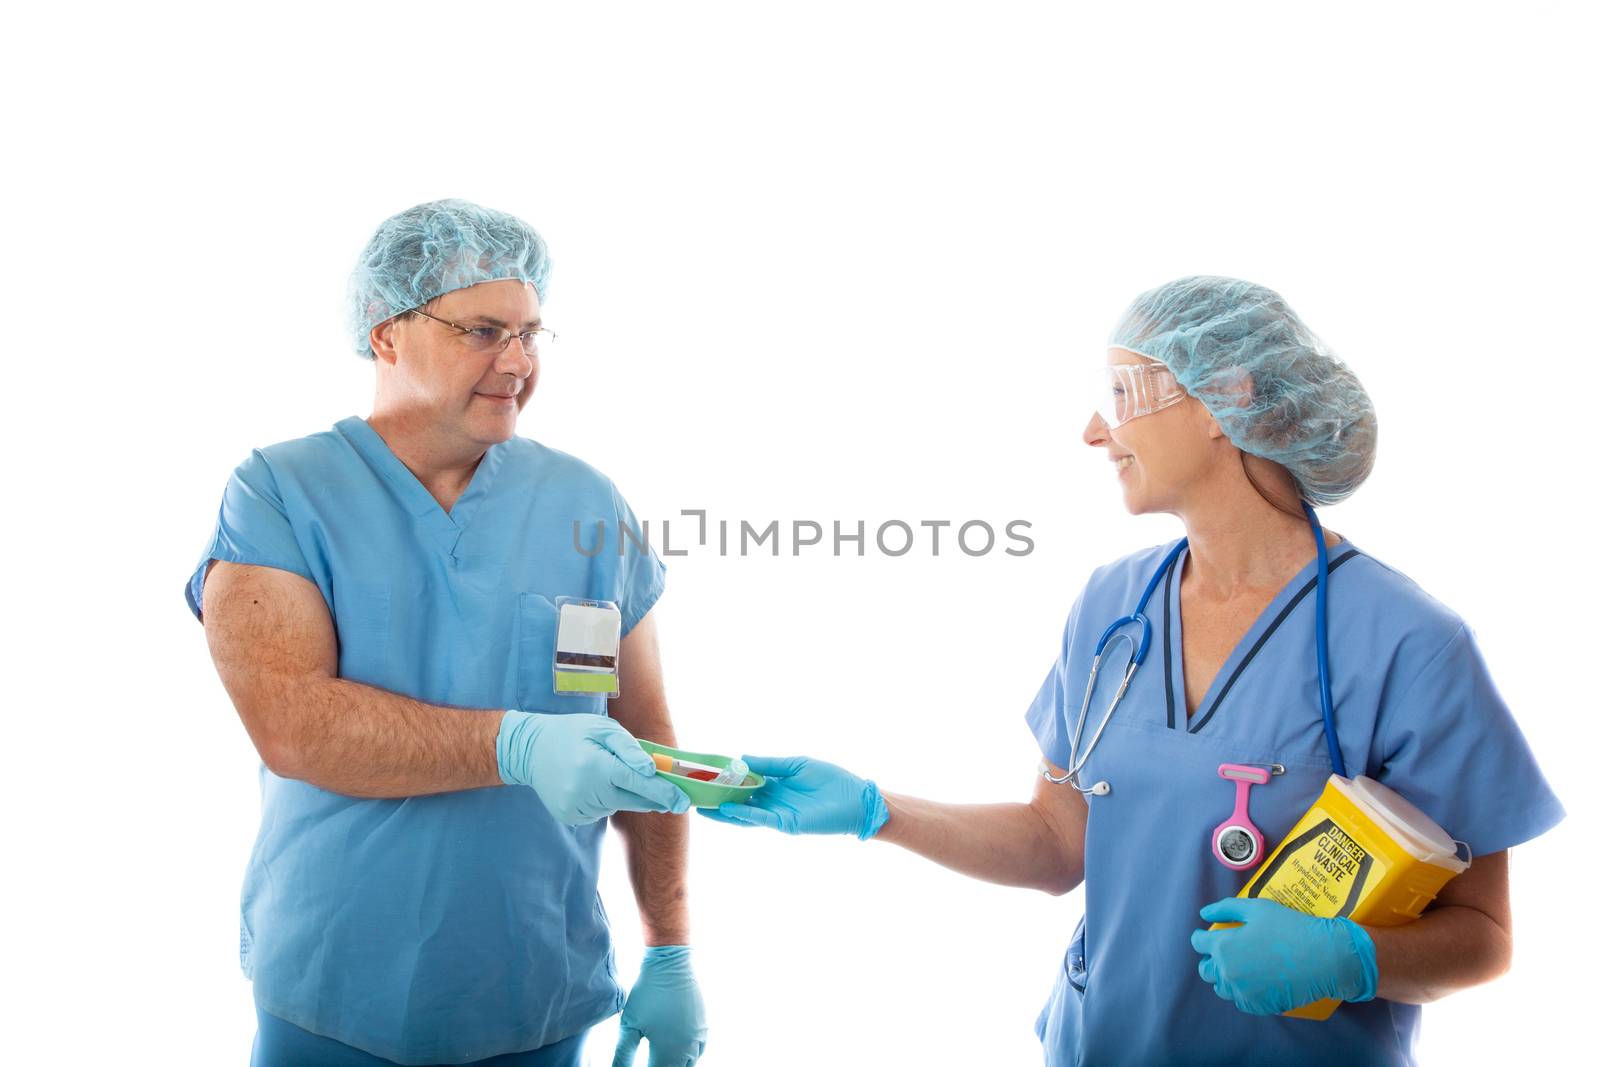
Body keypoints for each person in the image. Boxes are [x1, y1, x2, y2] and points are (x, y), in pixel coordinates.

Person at [700, 276, 1564, 1066]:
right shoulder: (1113, 606)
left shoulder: (1408, 643)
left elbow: (1483, 936)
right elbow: (1056, 842)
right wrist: (877, 810)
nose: (1091, 431)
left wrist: (1352, 959)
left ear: (1226, 396)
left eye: (1120, 394)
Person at [186, 199, 706, 1067]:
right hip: (334, 994)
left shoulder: (585, 504)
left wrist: (670, 946)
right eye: (484, 330)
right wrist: (516, 744)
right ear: (386, 331)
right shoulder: (282, 492)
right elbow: (294, 725)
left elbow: (645, 741)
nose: (519, 361)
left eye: (533, 333)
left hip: (536, 990)